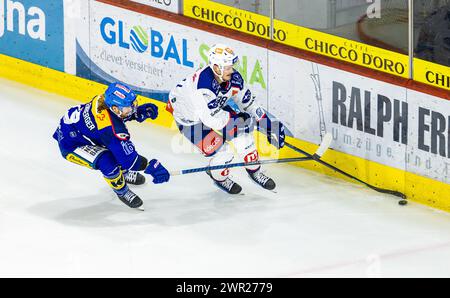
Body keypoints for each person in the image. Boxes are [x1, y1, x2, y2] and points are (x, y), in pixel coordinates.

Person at [167, 44, 285, 195]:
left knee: (244, 140)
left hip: (217, 111)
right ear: (216, 67)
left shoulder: (233, 78)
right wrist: (240, 122)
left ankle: (255, 172)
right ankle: (218, 177)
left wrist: (267, 123)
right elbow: (211, 120)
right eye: (228, 67)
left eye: (232, 66)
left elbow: (248, 103)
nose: (232, 70)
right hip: (191, 121)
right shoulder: (201, 88)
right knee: (225, 153)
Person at [53, 82, 170, 210]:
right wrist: (150, 166)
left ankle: (123, 174)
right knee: (108, 162)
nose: (133, 108)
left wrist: (135, 114)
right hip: (71, 144)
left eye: (133, 104)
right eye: (129, 107)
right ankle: (122, 192)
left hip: (79, 131)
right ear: (115, 108)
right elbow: (129, 161)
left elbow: (113, 118)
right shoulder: (110, 130)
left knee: (115, 150)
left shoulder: (103, 100)